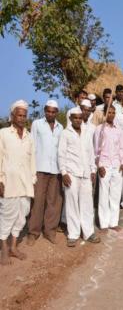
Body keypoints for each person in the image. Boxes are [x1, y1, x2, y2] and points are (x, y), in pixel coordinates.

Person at [58, 107, 100, 247]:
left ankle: (88, 232)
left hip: (86, 173)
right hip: (71, 174)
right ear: (70, 119)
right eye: (75, 117)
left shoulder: (87, 133)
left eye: (80, 118)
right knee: (72, 205)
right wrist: (64, 173)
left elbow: (91, 153)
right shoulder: (65, 133)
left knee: (87, 204)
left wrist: (93, 170)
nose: (77, 120)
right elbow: (61, 154)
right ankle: (73, 234)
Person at [0, 100, 35, 265]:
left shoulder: (29, 136)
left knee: (22, 216)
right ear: (13, 116)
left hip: (26, 183)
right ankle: (4, 250)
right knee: (7, 216)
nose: (22, 118)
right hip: (9, 182)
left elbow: (32, 160)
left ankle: (13, 247)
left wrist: (33, 179)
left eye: (24, 115)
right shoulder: (4, 134)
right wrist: (0, 181)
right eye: (19, 115)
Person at [27, 100, 63, 246]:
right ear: (44, 111)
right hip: (40, 168)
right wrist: (31, 169)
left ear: (57, 113)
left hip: (56, 169)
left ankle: (50, 231)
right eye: (48, 111)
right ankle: (33, 232)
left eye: (53, 112)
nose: (50, 114)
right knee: (37, 201)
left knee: (53, 202)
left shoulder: (61, 127)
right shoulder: (37, 124)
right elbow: (32, 146)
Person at [94, 106, 123, 230]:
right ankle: (104, 224)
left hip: (117, 165)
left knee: (115, 195)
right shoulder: (99, 130)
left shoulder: (118, 130)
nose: (111, 115)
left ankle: (114, 223)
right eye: (109, 113)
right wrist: (99, 165)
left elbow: (121, 148)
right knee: (104, 195)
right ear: (105, 114)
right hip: (105, 166)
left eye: (113, 113)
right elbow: (96, 149)